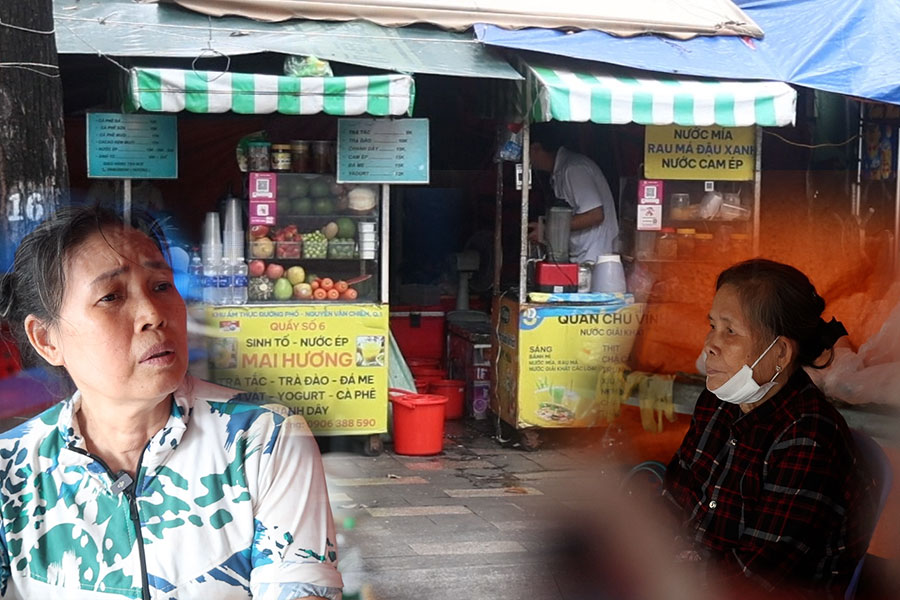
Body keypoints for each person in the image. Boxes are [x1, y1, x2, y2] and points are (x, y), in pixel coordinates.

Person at [0, 205, 342, 599]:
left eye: (161, 286)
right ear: (46, 339)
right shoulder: (12, 470)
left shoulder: (262, 440)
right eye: (111, 297)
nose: (152, 314)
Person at [663, 259, 877, 599]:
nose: (710, 345)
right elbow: (673, 496)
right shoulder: (718, 403)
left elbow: (754, 578)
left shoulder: (807, 437)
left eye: (730, 331)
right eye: (713, 325)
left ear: (779, 353)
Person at [529, 127, 619, 263]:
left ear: (535, 148)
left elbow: (595, 215)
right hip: (582, 254)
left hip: (594, 255)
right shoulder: (560, 172)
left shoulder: (573, 169)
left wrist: (547, 229)